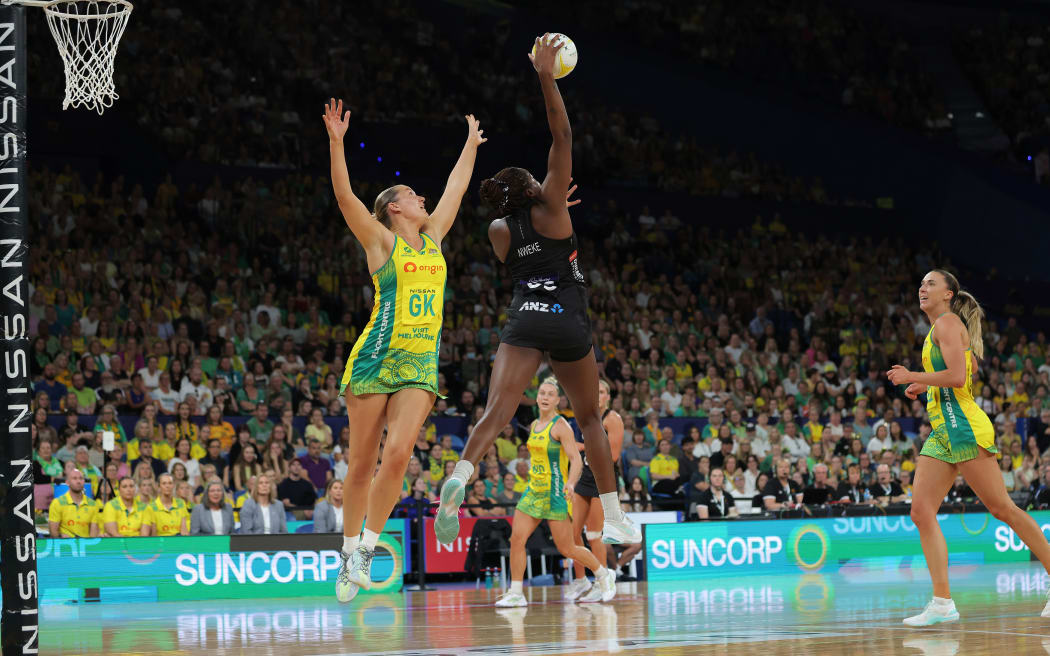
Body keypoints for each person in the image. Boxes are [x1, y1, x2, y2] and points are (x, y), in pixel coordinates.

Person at [436, 35, 640, 549]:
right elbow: (562, 133)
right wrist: (546, 76)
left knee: (496, 411)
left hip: (524, 316)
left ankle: (458, 477)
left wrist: (553, 204)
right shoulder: (553, 209)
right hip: (567, 317)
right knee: (590, 416)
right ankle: (613, 516)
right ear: (534, 188)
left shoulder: (499, 232)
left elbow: (527, 232)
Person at [324, 97, 486, 604]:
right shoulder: (380, 242)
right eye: (413, 194)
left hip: (418, 364)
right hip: (374, 358)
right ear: (394, 207)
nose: (423, 198)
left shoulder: (434, 236)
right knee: (359, 464)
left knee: (397, 458)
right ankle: (348, 551)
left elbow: (456, 187)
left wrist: (469, 146)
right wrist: (336, 142)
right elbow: (345, 195)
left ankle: (368, 546)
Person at [887, 269, 1050, 625]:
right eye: (921, 283)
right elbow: (965, 371)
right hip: (944, 430)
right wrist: (926, 387)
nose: (922, 288)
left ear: (948, 293)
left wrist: (913, 377)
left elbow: (959, 377)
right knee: (921, 512)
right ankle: (942, 603)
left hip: (963, 428)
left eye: (931, 283)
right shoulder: (941, 329)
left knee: (1003, 509)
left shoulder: (946, 324)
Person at [494, 377, 616, 607]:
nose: (545, 397)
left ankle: (602, 575)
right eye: (542, 393)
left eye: (550, 394)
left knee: (567, 548)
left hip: (555, 494)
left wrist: (570, 483)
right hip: (533, 491)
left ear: (558, 400)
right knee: (517, 539)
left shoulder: (561, 426)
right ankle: (516, 592)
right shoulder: (533, 425)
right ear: (537, 397)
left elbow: (576, 460)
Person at [567, 379, 629, 601]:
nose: (597, 395)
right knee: (573, 534)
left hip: (603, 479)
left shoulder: (613, 419)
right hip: (585, 475)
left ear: (608, 397)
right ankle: (581, 580)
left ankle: (603, 580)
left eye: (602, 392)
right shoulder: (586, 416)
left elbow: (612, 457)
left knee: (594, 534)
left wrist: (581, 447)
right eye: (595, 391)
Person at [48, 468, 100, 537]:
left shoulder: (93, 504)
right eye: (74, 478)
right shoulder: (57, 503)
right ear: (67, 482)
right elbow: (53, 532)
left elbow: (93, 534)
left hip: (85, 545)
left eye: (81, 478)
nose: (78, 481)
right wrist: (61, 536)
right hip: (64, 545)